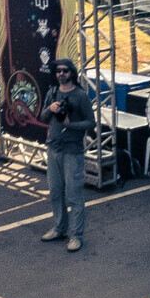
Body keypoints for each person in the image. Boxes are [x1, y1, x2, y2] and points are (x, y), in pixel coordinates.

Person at [41, 59, 93, 252]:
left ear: (72, 72)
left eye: (65, 71)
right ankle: (59, 228)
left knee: (74, 194)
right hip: (53, 147)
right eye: (58, 71)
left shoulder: (80, 95)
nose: (61, 74)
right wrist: (50, 109)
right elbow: (42, 118)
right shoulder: (52, 93)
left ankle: (76, 235)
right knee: (55, 191)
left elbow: (91, 123)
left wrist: (71, 125)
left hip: (72, 150)